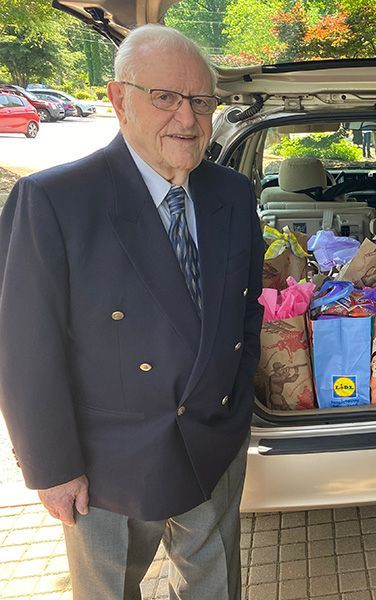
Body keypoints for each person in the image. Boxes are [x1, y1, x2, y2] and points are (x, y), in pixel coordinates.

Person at [0, 24, 264, 600]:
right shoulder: (54, 201)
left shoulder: (233, 193)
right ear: (119, 99)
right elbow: (24, 349)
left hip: (214, 443)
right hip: (107, 466)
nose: (187, 118)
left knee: (216, 590)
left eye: (201, 101)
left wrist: (237, 406)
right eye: (165, 97)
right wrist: (52, 467)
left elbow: (247, 314)